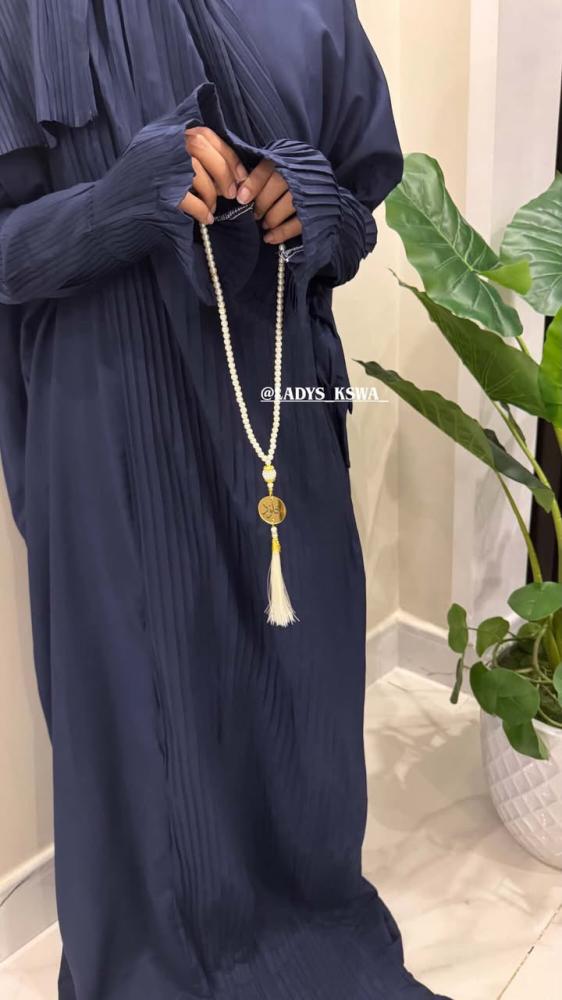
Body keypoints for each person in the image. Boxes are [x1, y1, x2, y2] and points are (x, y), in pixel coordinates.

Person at [0, 1, 452, 997]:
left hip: (280, 410)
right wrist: (118, 203)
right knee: (143, 738)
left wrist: (314, 203)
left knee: (303, 708)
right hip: (110, 429)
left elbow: (357, 213)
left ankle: (301, 929)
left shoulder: (311, 7)